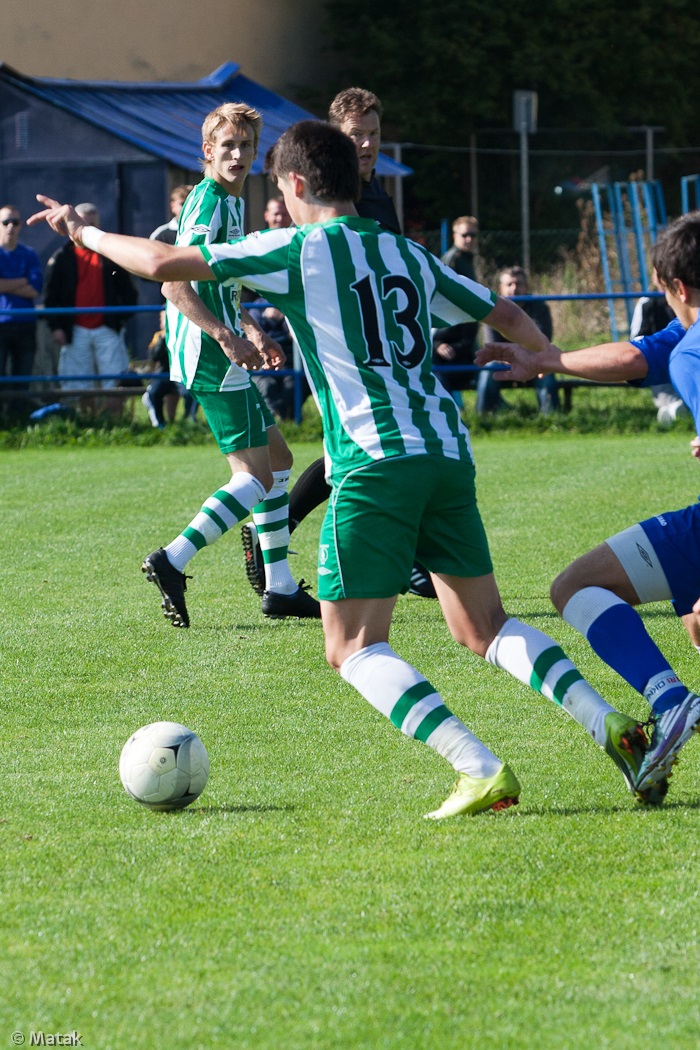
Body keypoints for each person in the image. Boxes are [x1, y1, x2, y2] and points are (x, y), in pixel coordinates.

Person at [31, 120, 672, 817]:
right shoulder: (407, 253)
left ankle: (479, 767)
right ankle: (613, 725)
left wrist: (81, 233)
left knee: (351, 646)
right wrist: (536, 358)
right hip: (446, 454)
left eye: (279, 183)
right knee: (481, 625)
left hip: (373, 462)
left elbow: (162, 265)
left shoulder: (299, 247)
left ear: (297, 184)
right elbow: (507, 313)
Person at [475, 210, 700, 796]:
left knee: (575, 590)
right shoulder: (683, 339)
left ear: (675, 287)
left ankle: (672, 700)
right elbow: (631, 358)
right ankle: (672, 702)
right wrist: (546, 360)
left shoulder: (692, 354)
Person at [240, 88, 437, 600]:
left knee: (362, 450)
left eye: (373, 133)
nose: (367, 143)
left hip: (375, 346)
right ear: (336, 139)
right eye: (356, 135)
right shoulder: (333, 192)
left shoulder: (374, 191)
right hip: (334, 343)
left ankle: (276, 531)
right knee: (361, 450)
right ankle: (279, 535)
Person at [149, 102, 319, 626]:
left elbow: (214, 281)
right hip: (206, 355)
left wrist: (249, 327)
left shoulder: (225, 201)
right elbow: (175, 284)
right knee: (253, 476)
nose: (238, 155)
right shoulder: (207, 204)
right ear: (207, 151)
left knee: (280, 460)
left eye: (246, 146)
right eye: (228, 146)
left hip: (215, 347)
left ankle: (280, 588)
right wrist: (225, 336)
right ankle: (172, 560)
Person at [43, 202, 137, 416]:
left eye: (92, 224)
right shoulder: (61, 257)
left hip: (107, 326)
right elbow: (50, 296)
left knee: (114, 379)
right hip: (74, 329)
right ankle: (88, 423)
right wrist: (56, 326)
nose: (87, 228)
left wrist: (119, 319)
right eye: (84, 223)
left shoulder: (111, 255)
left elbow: (129, 291)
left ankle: (115, 425)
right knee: (78, 380)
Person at [476, 266, 559, 415]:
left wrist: (523, 356)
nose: (514, 289)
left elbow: (543, 341)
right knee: (488, 369)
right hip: (503, 362)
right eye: (509, 284)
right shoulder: (491, 308)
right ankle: (482, 420)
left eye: (518, 284)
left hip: (533, 359)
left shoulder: (540, 308)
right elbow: (492, 344)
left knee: (547, 369)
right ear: (501, 288)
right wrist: (512, 357)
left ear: (526, 286)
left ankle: (553, 419)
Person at [247, 195, 299, 421]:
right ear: (266, 216)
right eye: (275, 213)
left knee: (298, 380)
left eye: (284, 213)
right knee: (264, 383)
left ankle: (286, 421)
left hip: (292, 334)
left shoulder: (296, 244)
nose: (280, 218)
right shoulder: (254, 245)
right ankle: (269, 421)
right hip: (257, 325)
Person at [0, 204, 43, 422]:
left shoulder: (29, 254)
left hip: (25, 324)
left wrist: (6, 283)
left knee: (22, 376)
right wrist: (23, 280)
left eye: (15, 222)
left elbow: (35, 289)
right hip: (1, 324)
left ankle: (18, 421)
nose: (10, 227)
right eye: (5, 222)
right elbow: (28, 284)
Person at [432, 217, 481, 400]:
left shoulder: (466, 259)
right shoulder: (453, 260)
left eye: (473, 235)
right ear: (455, 236)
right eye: (465, 235)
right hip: (449, 331)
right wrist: (437, 343)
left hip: (464, 328)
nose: (469, 239)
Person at [630, 277, 686, 424]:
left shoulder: (688, 303)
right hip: (662, 364)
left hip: (686, 362)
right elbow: (636, 343)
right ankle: (674, 409)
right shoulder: (647, 303)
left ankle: (679, 409)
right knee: (656, 364)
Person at [141, 310, 198, 427]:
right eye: (164, 320)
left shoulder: (186, 334)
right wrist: (163, 339)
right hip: (164, 373)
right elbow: (153, 357)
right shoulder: (158, 336)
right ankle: (160, 424)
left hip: (183, 373)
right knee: (152, 393)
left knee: (191, 393)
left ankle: (188, 423)